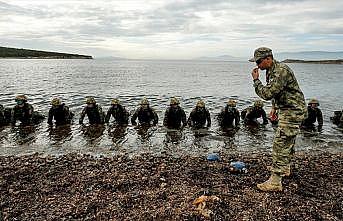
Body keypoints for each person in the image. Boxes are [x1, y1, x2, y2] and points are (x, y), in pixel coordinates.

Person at [250, 47, 307, 192]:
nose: (257, 65)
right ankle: (285, 168)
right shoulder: (272, 70)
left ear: (268, 59)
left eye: (259, 61)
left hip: (292, 111)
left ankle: (275, 181)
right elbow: (278, 93)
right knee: (288, 141)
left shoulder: (280, 71)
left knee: (280, 143)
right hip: (288, 109)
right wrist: (275, 108)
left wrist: (256, 81)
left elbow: (268, 93)